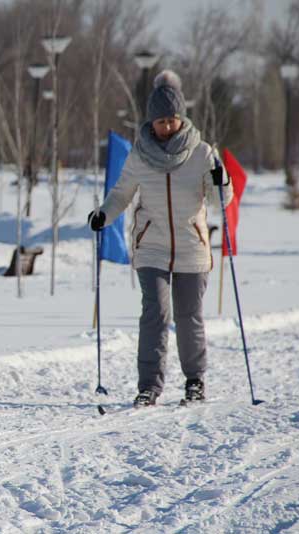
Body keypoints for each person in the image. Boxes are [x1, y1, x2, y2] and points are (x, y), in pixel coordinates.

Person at [88, 69, 232, 408]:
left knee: (188, 315)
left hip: (191, 248)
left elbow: (220, 203)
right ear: (150, 122)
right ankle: (149, 386)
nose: (166, 127)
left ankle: (195, 380)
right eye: (160, 121)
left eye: (171, 120)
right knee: (154, 313)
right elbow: (122, 193)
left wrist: (221, 180)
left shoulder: (202, 153)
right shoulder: (140, 155)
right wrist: (104, 214)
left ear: (181, 118)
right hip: (151, 246)